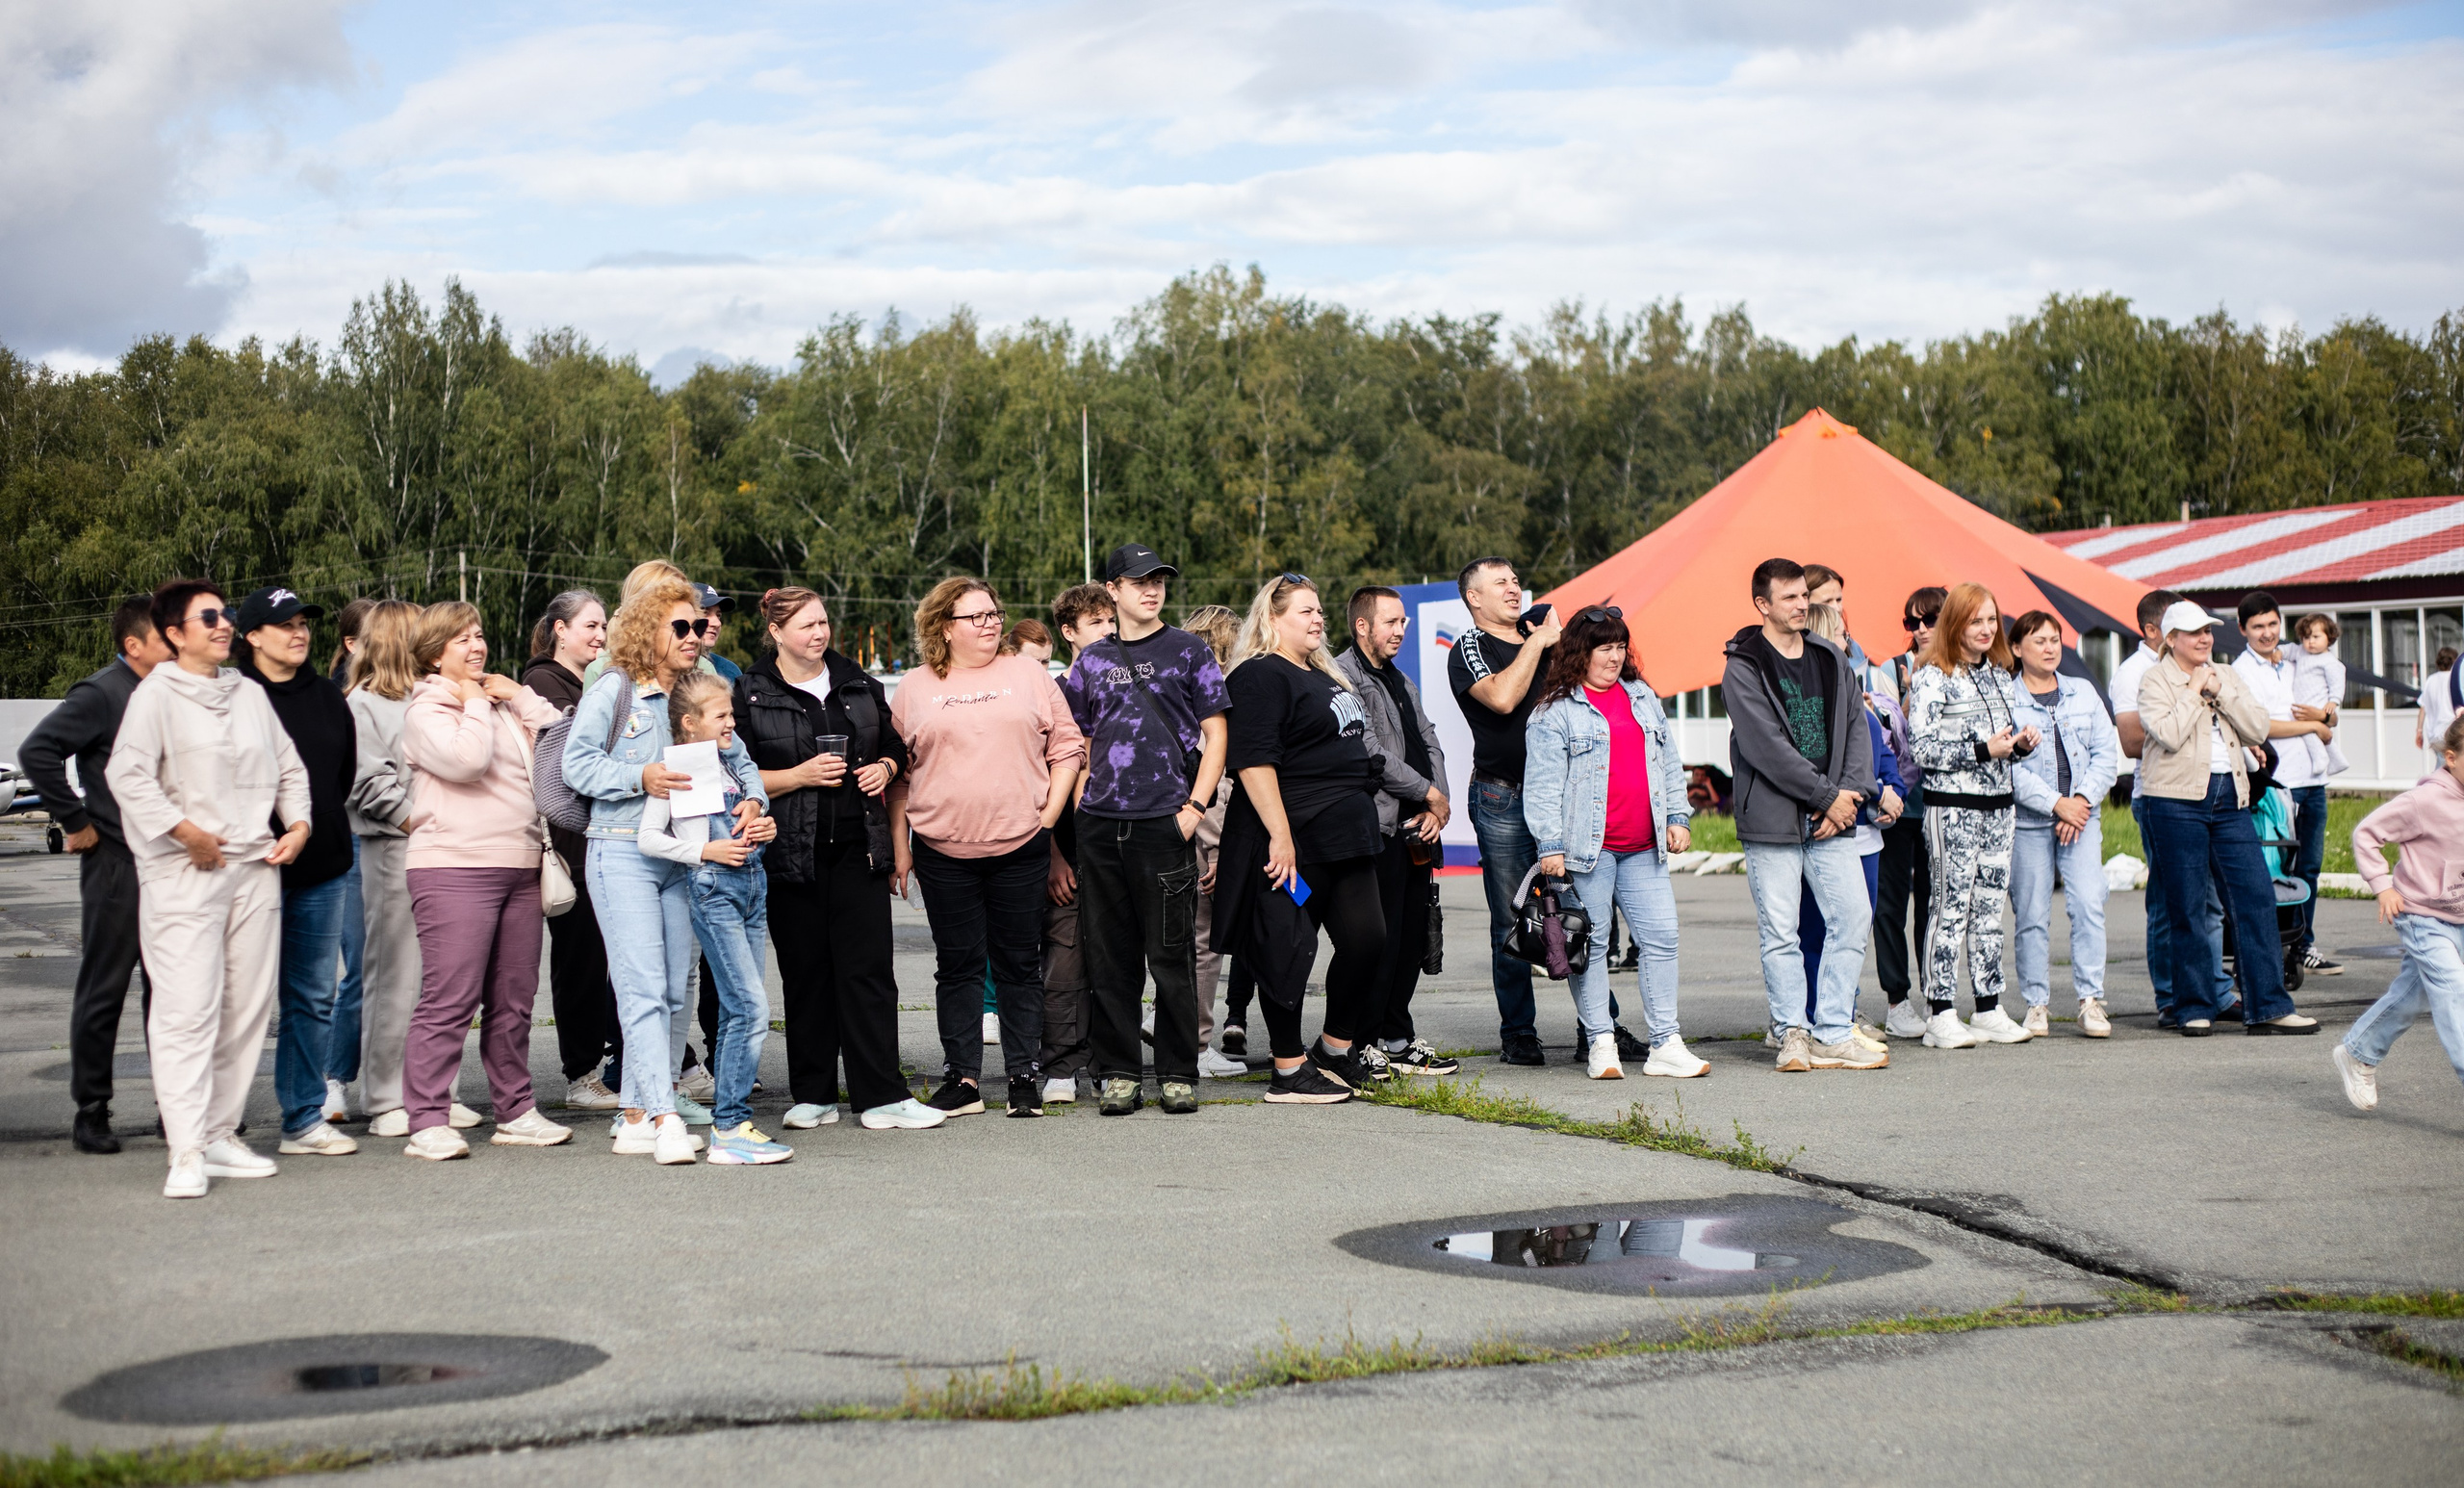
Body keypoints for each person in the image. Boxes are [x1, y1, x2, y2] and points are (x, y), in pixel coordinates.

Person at [107, 579, 313, 1198]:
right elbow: (127, 774)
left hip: (254, 869)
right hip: (185, 873)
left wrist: (298, 824)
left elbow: (288, 766)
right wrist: (183, 830)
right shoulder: (156, 696)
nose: (223, 624)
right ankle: (187, 1149)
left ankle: (221, 1134)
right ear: (173, 633)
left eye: (224, 615)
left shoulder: (246, 693)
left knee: (246, 1009)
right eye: (209, 618)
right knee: (187, 1010)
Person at [565, 576, 765, 1164]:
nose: (694, 634)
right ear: (646, 630)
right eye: (681, 625)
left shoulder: (701, 688)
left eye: (699, 625)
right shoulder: (615, 689)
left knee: (677, 987)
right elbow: (576, 765)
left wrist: (754, 801)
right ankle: (662, 1114)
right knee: (643, 985)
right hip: (623, 849)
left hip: (685, 855)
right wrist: (638, 777)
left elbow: (741, 760)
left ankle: (636, 1113)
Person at [735, 587, 940, 1133]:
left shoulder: (857, 683)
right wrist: (798, 776)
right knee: (806, 976)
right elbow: (734, 773)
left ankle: (882, 1096)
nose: (819, 633)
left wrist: (887, 771)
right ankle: (813, 1093)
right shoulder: (750, 691)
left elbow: (898, 747)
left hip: (857, 850)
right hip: (788, 853)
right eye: (806, 626)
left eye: (823, 622)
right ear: (777, 632)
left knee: (868, 973)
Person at [889, 577, 1086, 1119]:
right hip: (941, 850)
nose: (990, 623)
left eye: (993, 613)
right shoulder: (914, 686)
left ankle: (1024, 1074)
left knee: (1020, 963)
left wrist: (1048, 816)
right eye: (974, 616)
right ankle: (964, 1079)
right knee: (958, 968)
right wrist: (901, 847)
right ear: (943, 629)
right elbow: (900, 775)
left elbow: (1067, 747)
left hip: (1020, 846)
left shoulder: (1027, 674)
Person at [1057, 546, 1230, 1116]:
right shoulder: (1091, 661)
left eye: (1158, 580)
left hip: (1166, 822)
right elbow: (1073, 738)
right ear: (1113, 589)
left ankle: (1178, 1070)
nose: (1151, 589)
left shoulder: (1188, 649)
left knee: (1172, 955)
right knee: (1111, 958)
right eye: (1138, 581)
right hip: (1102, 827)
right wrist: (1083, 799)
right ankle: (1119, 1072)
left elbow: (1216, 733)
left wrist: (1195, 807)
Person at [397, 602, 575, 1160]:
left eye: (478, 636)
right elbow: (466, 762)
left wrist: (516, 696)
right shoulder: (426, 710)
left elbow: (565, 738)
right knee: (450, 997)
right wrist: (476, 700)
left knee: (514, 1000)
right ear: (433, 655)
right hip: (452, 866)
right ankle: (426, 1117)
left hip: (521, 864)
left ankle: (515, 1110)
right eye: (461, 641)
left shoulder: (499, 705)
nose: (476, 647)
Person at [1454, 556, 1644, 1065]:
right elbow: (1501, 697)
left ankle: (1598, 1029)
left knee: (1588, 914)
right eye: (1500, 583)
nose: (1514, 589)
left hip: (1571, 798)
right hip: (1504, 797)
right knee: (1512, 919)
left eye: (1516, 580)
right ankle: (1518, 1032)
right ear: (1474, 598)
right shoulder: (1469, 647)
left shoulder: (1554, 641)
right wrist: (1537, 641)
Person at [1212, 575, 1386, 1104]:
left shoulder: (1322, 673)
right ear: (1272, 618)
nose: (1318, 620)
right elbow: (1253, 762)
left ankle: (1334, 1049)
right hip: (1294, 839)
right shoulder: (1260, 675)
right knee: (1287, 949)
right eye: (1305, 612)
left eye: (1319, 613)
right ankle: (1287, 1070)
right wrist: (1281, 838)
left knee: (1368, 940)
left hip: (1346, 836)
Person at [1523, 604, 1705, 1080]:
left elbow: (1667, 761)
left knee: (1662, 938)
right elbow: (1541, 788)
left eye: (1620, 646)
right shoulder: (1553, 712)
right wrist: (1550, 846)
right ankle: (1601, 1040)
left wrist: (1677, 816)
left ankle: (1666, 1042)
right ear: (1579, 653)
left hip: (1645, 846)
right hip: (1587, 851)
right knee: (1594, 942)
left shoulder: (1642, 697)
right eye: (1604, 647)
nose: (1615, 656)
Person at [1720, 559, 1885, 1072]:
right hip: (1774, 821)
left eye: (1803, 596)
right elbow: (1765, 747)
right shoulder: (1743, 665)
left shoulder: (1830, 658)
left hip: (1832, 816)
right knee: (1781, 931)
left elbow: (1858, 729)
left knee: (1854, 915)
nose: (1800, 606)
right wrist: (1825, 797)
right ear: (1762, 605)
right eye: (1788, 598)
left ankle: (1833, 1030)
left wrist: (1850, 796)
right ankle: (1792, 1031)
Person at [22, 596, 172, 1154]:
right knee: (105, 988)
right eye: (165, 637)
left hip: (169, 862)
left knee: (172, 991)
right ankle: (93, 1108)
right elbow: (38, 751)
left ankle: (174, 1107)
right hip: (116, 864)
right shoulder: (102, 693)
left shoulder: (174, 692)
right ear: (134, 646)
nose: (178, 643)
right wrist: (75, 820)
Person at [2136, 600, 2319, 1037]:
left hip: (2231, 797)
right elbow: (2169, 733)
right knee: (2190, 907)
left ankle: (2269, 1006)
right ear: (2172, 638)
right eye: (2195, 633)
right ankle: (2195, 1006)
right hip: (2176, 802)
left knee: (2255, 897)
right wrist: (2194, 689)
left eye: (2209, 632)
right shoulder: (2154, 680)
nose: (2205, 639)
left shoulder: (2227, 674)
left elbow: (2257, 727)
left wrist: (2220, 690)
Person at [231, 586, 362, 1158]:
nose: (299, 632)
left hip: (323, 867)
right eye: (284, 624)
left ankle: (303, 1118)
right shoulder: (232, 697)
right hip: (248, 869)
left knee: (311, 996)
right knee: (237, 996)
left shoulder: (329, 698)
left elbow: (342, 777)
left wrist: (313, 828)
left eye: (304, 622)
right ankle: (214, 1122)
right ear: (252, 635)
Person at [640, 671, 788, 1163]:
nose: (732, 722)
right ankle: (730, 1127)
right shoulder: (676, 767)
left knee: (735, 1010)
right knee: (752, 1009)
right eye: (721, 715)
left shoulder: (731, 762)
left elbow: (753, 811)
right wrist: (703, 849)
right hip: (714, 891)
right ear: (690, 722)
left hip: (753, 887)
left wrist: (760, 824)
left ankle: (731, 1120)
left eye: (731, 713)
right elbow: (649, 839)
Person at [346, 600, 468, 1139]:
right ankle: (383, 1096)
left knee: (444, 979)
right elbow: (370, 785)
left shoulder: (434, 698)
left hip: (447, 848)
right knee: (394, 974)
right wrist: (423, 821)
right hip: (396, 849)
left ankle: (436, 1091)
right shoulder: (363, 705)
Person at [1904, 582, 2038, 1048]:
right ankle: (1940, 1010)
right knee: (1949, 909)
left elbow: (1999, 744)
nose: (1985, 629)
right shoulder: (1932, 674)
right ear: (1955, 623)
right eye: (1975, 620)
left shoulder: (2001, 674)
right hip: (1952, 809)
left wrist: (2016, 747)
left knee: (1989, 911)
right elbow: (1920, 748)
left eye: (1991, 619)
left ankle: (1988, 1005)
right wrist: (1983, 750)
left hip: (2000, 809)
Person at [1335, 586, 1459, 1077]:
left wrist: (1436, 804)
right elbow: (1368, 751)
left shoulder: (1402, 680)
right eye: (1390, 622)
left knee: (1411, 939)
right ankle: (1361, 1042)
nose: (1400, 630)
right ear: (1362, 625)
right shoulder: (1342, 676)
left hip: (1418, 830)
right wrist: (1429, 792)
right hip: (1380, 829)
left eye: (1403, 622)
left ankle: (1397, 1037)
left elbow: (1431, 741)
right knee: (1377, 940)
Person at [2113, 589, 2233, 1028]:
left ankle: (2215, 989)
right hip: (2159, 797)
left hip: (2209, 793)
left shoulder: (2206, 668)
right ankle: (2171, 995)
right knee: (2169, 904)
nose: (2198, 635)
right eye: (2184, 628)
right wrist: (2182, 714)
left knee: (2210, 903)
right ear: (2155, 631)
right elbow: (2131, 742)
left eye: (2203, 627)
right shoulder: (2135, 674)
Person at [522, 590, 624, 1109]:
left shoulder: (595, 682)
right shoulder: (544, 682)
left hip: (604, 838)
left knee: (609, 959)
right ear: (559, 630)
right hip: (572, 842)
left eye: (604, 626)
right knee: (580, 961)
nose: (600, 636)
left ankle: (622, 1064)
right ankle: (581, 1074)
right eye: (590, 626)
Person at [2331, 715, 2464, 1111]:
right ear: (2452, 759)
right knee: (2455, 991)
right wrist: (2383, 886)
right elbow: (2366, 834)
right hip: (2422, 914)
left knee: (2413, 996)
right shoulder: (2424, 801)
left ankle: (2358, 1051)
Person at [2007, 610, 2121, 1039]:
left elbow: (2106, 754)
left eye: (2055, 639)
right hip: (2031, 823)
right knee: (2031, 914)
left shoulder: (2083, 692)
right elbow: (2011, 770)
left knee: (2089, 903)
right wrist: (2058, 804)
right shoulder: (2006, 697)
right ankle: (2036, 1005)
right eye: (2039, 641)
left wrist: (2081, 802)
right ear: (2018, 649)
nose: (2050, 647)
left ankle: (2091, 1001)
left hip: (2082, 818)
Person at [1800, 601, 1903, 1048]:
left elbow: (1878, 755)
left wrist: (1891, 788)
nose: (1849, 641)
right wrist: (1866, 794)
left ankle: (1843, 1012)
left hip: (1865, 836)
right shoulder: (1809, 698)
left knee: (1854, 929)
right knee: (1816, 930)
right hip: (1826, 829)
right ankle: (1809, 1017)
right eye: (1842, 634)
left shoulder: (1859, 698)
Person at [1037, 584, 1116, 1102]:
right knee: (1065, 963)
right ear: (1069, 632)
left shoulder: (1132, 688)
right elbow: (1035, 782)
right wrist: (1052, 856)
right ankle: (1062, 1065)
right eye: (1096, 624)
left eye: (1112, 622)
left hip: (1120, 848)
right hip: (1066, 849)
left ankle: (1111, 1063)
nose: (1109, 631)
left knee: (1116, 961)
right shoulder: (1051, 694)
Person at [2233, 592, 2339, 978]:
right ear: (2243, 629)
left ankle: (2303, 944)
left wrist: (2325, 718)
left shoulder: (2295, 658)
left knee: (2310, 867)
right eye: (2258, 626)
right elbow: (2261, 726)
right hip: (2279, 783)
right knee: (2278, 867)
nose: (2267, 633)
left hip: (2314, 776)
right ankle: (2277, 946)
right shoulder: (2242, 671)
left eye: (2273, 624)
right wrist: (2313, 725)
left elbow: (2328, 713)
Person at [1180, 603, 1245, 1074]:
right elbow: (1217, 787)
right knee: (1205, 945)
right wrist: (1222, 853)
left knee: (1184, 944)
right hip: (1206, 844)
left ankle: (1169, 1021)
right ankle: (1198, 1046)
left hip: (1177, 837)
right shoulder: (1213, 699)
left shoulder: (1173, 691)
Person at [1876, 587, 1942, 1037]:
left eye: (1929, 620)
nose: (1919, 630)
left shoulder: (1966, 670)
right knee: (1891, 906)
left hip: (1945, 803)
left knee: (1937, 907)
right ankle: (1897, 999)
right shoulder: (1889, 670)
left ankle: (1939, 998)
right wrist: (1912, 689)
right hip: (1902, 807)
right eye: (1911, 622)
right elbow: (1886, 735)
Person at [325, 596, 375, 1120]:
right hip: (355, 841)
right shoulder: (338, 698)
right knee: (360, 967)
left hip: (399, 842)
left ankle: (389, 1085)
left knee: (406, 974)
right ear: (353, 643)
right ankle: (334, 1077)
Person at [1804, 564, 1896, 702]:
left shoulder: (1853, 647)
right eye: (1827, 601)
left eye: (1839, 600)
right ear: (1804, 603)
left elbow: (1870, 696)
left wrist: (1870, 706)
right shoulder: (1795, 648)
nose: (1837, 608)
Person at [2297, 614, 2358, 777]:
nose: (2311, 642)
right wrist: (2279, 653)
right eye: (2306, 637)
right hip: (2304, 700)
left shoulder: (2329, 661)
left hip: (2317, 702)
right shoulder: (2301, 653)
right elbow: (2288, 650)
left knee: (2308, 730)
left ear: (2329, 638)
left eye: (2316, 637)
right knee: (2320, 732)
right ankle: (2338, 760)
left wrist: (2334, 701)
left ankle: (2320, 758)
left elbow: (2337, 681)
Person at [2413, 638, 2458, 760]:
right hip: (2454, 733)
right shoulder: (2457, 680)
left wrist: (2419, 731)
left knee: (2443, 765)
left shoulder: (2431, 680)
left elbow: (2423, 708)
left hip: (2436, 735)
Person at [690, 583, 741, 682]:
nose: (717, 623)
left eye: (718, 615)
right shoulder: (662, 667)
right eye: (705, 613)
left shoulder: (730, 671)